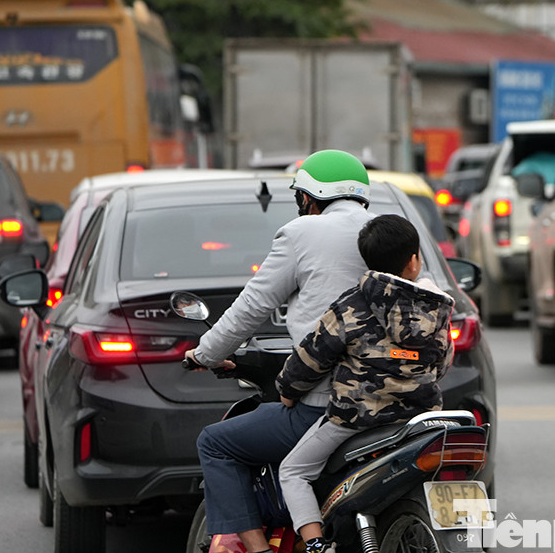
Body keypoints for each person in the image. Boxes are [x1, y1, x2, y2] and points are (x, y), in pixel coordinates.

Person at [184, 149, 374, 553]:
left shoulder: (302, 232)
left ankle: (258, 549)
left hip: (325, 406)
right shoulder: (390, 232)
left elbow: (253, 306)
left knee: (215, 443)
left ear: (309, 196)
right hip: (401, 401)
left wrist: (205, 353)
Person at [276, 214, 455, 553]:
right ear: (414, 261)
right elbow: (442, 364)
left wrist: (287, 390)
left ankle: (315, 545)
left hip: (356, 418)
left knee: (293, 471)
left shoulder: (352, 303)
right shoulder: (438, 309)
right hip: (421, 417)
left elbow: (312, 356)